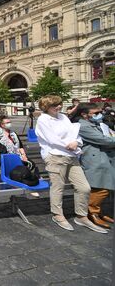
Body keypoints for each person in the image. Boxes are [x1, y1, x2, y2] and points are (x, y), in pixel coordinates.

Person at [35, 95, 106, 234]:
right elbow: (51, 139)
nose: (59, 107)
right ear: (46, 107)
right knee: (58, 187)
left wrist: (77, 142)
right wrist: (70, 145)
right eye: (55, 105)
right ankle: (57, 214)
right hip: (55, 155)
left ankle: (81, 216)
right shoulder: (43, 119)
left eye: (59, 104)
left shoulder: (63, 117)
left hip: (71, 155)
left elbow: (74, 133)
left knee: (84, 187)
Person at [74, 103, 115, 229]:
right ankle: (92, 213)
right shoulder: (83, 126)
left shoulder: (95, 123)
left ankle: (97, 212)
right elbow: (104, 140)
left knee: (103, 186)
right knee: (100, 187)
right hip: (95, 160)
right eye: (95, 113)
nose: (99, 115)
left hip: (103, 158)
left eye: (100, 112)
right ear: (84, 114)